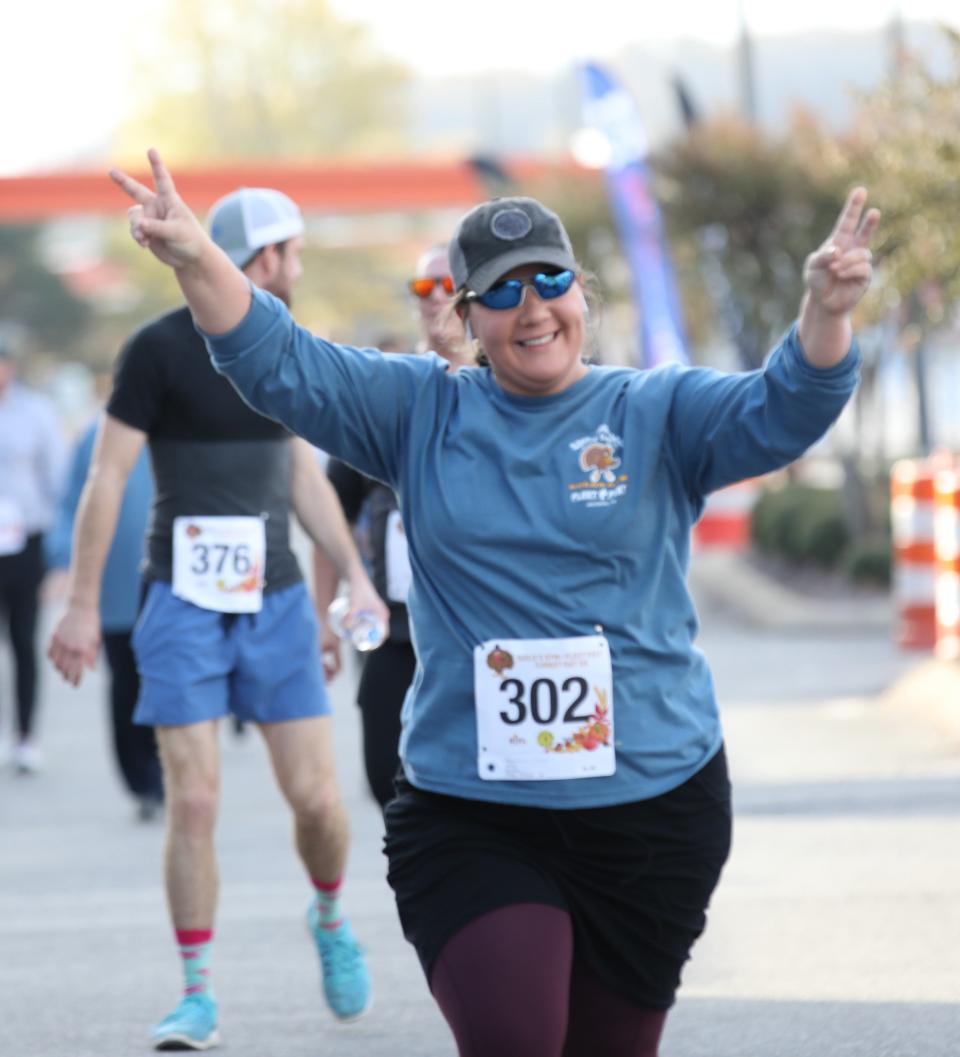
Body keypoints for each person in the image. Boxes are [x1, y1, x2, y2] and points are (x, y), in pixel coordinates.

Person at [109, 149, 879, 1057]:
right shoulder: (418, 411)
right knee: (514, 1039)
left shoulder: (654, 410)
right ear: (467, 316)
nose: (532, 307)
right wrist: (199, 254)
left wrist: (824, 317)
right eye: (501, 294)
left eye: (549, 279)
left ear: (581, 292)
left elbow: (783, 408)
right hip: (476, 811)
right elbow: (280, 363)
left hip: (653, 804)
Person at [48, 182, 387, 1051]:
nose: (300, 266)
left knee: (315, 799)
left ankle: (329, 914)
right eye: (292, 250)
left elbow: (303, 475)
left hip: (275, 601)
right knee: (193, 799)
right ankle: (196, 991)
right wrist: (84, 604)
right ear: (258, 255)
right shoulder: (157, 351)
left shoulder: (283, 349)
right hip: (182, 601)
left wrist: (354, 577)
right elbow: (108, 477)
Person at [313, 245, 468, 810]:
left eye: (445, 285)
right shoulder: (391, 398)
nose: (433, 299)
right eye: (421, 289)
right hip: (393, 630)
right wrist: (325, 617)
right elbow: (329, 511)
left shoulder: (510, 390)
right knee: (385, 774)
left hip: (480, 630)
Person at [46, 409, 164, 819]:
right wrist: (64, 563)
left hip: (173, 584)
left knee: (171, 677)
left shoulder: (184, 421)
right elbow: (71, 501)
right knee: (128, 682)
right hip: (116, 586)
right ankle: (142, 780)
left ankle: (169, 769)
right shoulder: (98, 433)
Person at [0, 326, 67, 773]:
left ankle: (26, 734)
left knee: (23, 641)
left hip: (24, 540)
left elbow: (56, 480)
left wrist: (59, 553)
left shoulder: (35, 412)